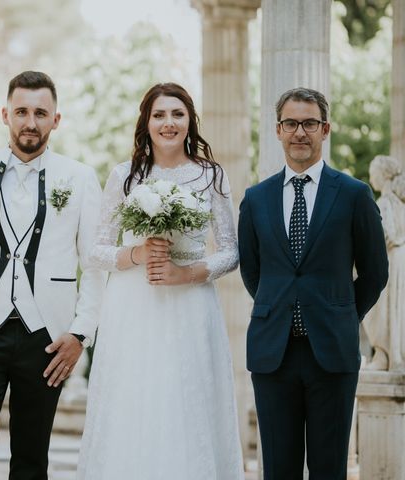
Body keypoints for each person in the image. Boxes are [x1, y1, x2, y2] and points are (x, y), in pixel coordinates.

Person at [77, 82, 243, 479]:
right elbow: (94, 252)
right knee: (134, 401)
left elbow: (232, 250)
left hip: (191, 302)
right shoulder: (125, 176)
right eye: (159, 115)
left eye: (177, 114)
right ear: (146, 123)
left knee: (189, 400)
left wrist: (187, 273)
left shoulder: (210, 176)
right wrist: (135, 254)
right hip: (134, 304)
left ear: (189, 121)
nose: (168, 123)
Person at [0, 71, 104, 479]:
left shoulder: (80, 177)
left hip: (48, 336)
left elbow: (96, 262)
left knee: (32, 456)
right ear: (5, 115)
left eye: (40, 113)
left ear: (56, 119)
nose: (30, 122)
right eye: (21, 112)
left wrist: (80, 334)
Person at [238, 87, 389, 479]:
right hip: (274, 354)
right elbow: (253, 272)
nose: (299, 132)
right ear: (278, 130)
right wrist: (281, 307)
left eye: (309, 123)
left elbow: (375, 272)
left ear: (325, 129)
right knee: (278, 469)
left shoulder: (354, 195)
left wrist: (339, 312)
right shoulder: (256, 199)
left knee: (329, 468)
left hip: (332, 352)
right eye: (291, 123)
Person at [365, 155, 405, 370]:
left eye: (374, 173)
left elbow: (388, 235)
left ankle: (384, 355)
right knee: (395, 308)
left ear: (383, 175)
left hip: (390, 261)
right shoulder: (400, 204)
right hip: (401, 260)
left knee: (381, 308)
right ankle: (390, 354)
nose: (371, 178)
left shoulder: (384, 203)